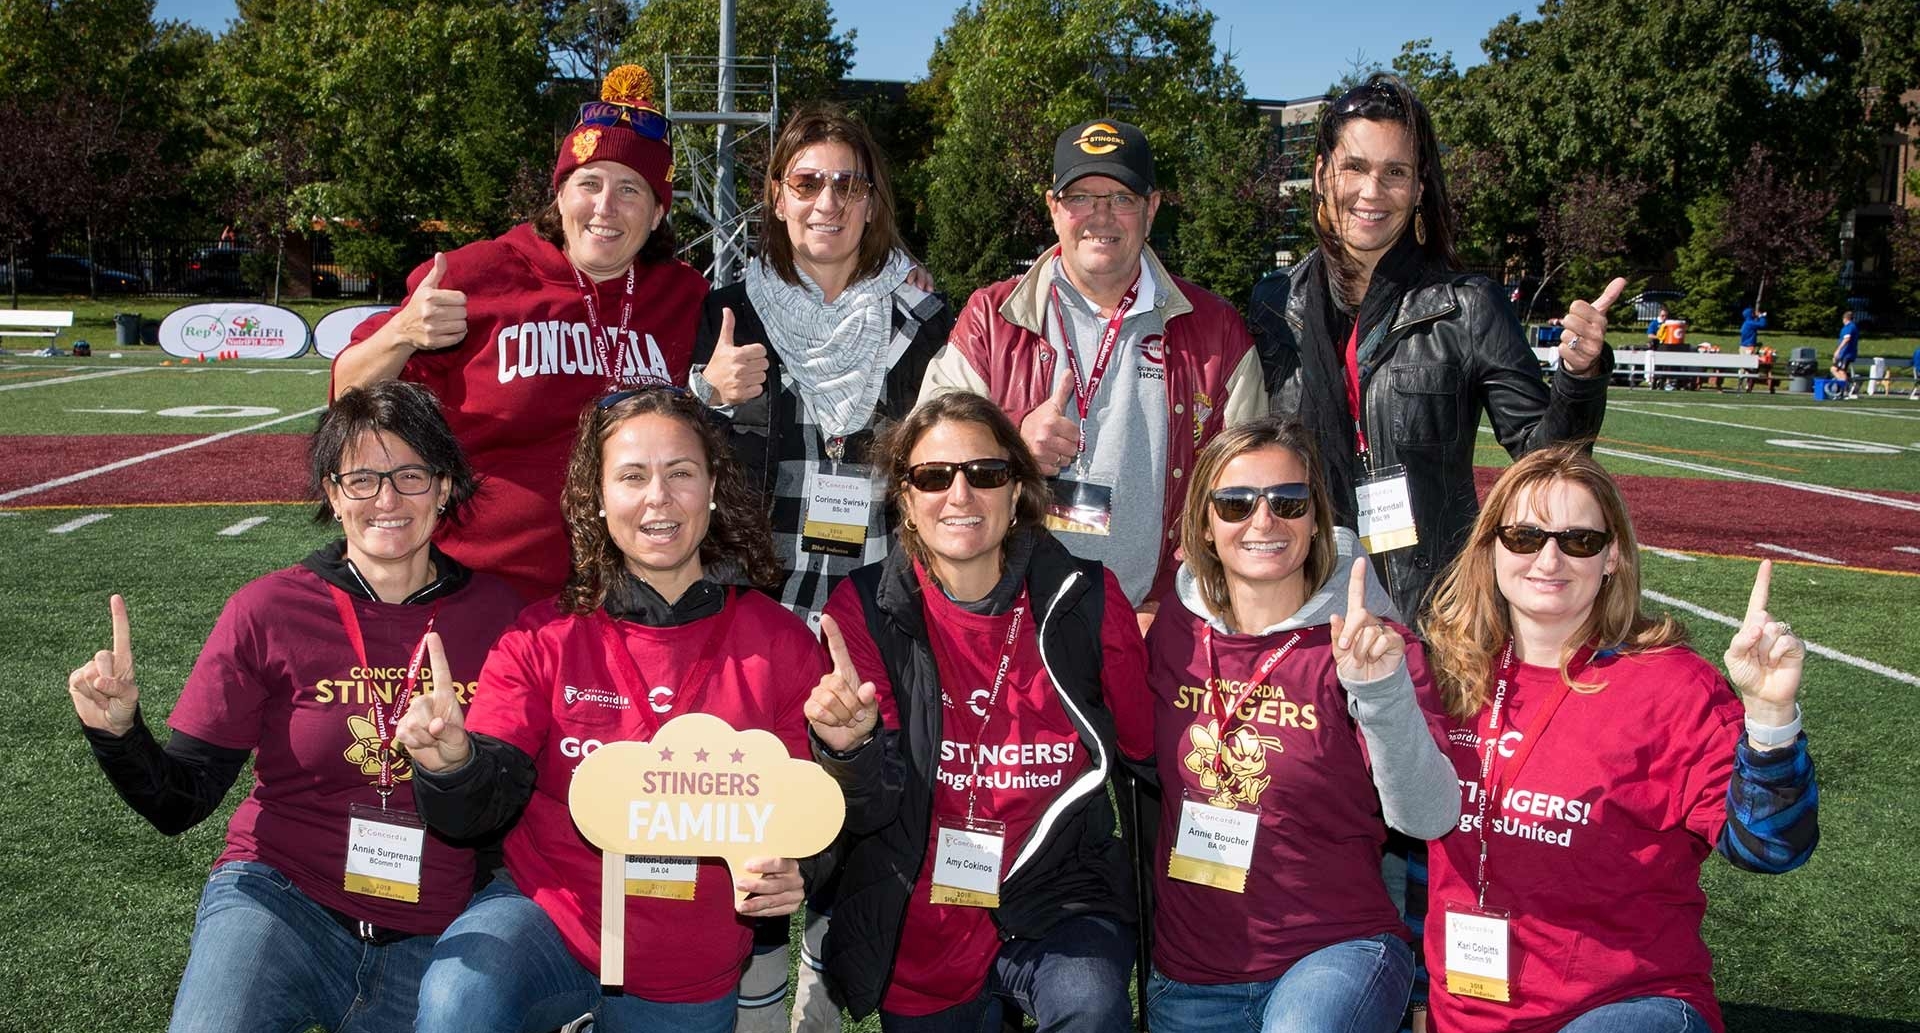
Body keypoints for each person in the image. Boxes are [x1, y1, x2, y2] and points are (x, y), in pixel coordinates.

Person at [67, 381, 524, 1033]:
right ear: (333, 495)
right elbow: (180, 800)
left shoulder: (506, 618)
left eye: (411, 475)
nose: (387, 498)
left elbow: (514, 810)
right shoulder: (268, 609)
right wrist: (118, 732)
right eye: (361, 478)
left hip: (441, 925)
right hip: (282, 897)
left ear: (446, 486)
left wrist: (458, 764)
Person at [401, 386, 828, 1033]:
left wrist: (797, 862)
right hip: (553, 919)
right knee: (459, 996)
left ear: (713, 487)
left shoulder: (782, 645)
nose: (657, 496)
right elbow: (476, 807)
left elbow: (818, 818)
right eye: (632, 475)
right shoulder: (541, 636)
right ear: (597, 499)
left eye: (680, 472)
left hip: (689, 960)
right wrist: (452, 765)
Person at [688, 103, 951, 1033]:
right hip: (753, 602)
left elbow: (950, 447)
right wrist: (705, 397)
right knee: (750, 811)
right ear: (776, 194)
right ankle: (757, 991)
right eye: (807, 182)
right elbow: (670, 455)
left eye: (847, 182)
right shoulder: (725, 306)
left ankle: (823, 971)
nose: (827, 201)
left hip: (873, 599)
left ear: (872, 196)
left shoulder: (922, 314)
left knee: (859, 799)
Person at [1420, 445, 1818, 1033]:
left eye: (1578, 540)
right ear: (1490, 548)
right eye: (1525, 537)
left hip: (1624, 1005)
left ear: (1612, 558)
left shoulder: (1672, 685)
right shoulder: (1445, 674)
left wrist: (1769, 717)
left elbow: (1771, 846)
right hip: (1468, 1012)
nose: (1549, 559)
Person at [805, 391, 1154, 1031]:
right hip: (925, 912)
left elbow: (1144, 754)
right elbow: (871, 808)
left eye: (985, 473)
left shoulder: (1089, 601)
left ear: (1018, 489)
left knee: (1090, 1004)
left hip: (1060, 894)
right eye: (934, 477)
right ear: (906, 500)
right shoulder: (864, 611)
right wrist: (849, 751)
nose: (960, 495)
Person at [1250, 73, 1621, 628]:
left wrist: (1579, 374)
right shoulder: (1275, 305)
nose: (1372, 192)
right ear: (1323, 174)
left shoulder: (1468, 308)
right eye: (1355, 167)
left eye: (1395, 172)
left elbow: (1546, 462)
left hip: (1430, 608)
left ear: (1420, 188)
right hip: (1300, 594)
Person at [332, 65, 708, 599]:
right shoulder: (476, 276)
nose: (605, 207)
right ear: (560, 195)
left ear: (656, 215)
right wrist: (403, 333)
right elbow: (346, 394)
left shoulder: (685, 297)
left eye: (630, 190)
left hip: (629, 591)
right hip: (486, 590)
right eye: (589, 184)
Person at [1140, 416, 1458, 1033]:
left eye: (1288, 501)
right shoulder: (1173, 632)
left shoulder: (1373, 645)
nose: (1263, 522)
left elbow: (1428, 817)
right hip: (1191, 974)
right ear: (1204, 525)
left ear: (1317, 522)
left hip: (1334, 951)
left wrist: (1380, 691)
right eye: (1234, 503)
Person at [918, 117, 1267, 621]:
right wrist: (1011, 446)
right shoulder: (990, 320)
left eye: (1121, 198)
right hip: (1012, 616)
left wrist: (1177, 608)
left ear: (1151, 208)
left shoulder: (1218, 333)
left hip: (1154, 626)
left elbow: (1251, 497)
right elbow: (924, 460)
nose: (1100, 216)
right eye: (1081, 197)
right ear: (1053, 208)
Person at [1832, 309, 1861, 397]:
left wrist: (1838, 350)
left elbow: (1846, 339)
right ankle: (1844, 384)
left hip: (1846, 353)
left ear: (1845, 318)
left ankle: (1845, 389)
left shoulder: (1849, 327)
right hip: (1845, 353)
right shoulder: (1852, 326)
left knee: (1841, 371)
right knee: (1834, 369)